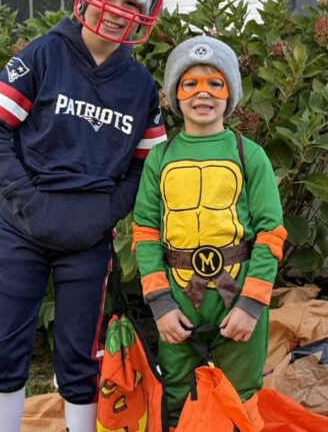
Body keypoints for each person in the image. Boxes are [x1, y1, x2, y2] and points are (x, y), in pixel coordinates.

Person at [0, 0, 168, 432]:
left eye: (132, 1)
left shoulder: (140, 86)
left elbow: (145, 165)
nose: (117, 9)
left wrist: (108, 211)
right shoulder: (43, 55)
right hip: (23, 229)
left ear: (148, 11)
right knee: (7, 346)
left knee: (80, 353)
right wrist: (27, 199)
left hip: (88, 238)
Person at [131, 36, 288, 426]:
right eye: (191, 84)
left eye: (215, 83)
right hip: (178, 296)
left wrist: (251, 304)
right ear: (175, 94)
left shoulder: (250, 155)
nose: (203, 93)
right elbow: (146, 232)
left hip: (238, 291)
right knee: (178, 393)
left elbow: (271, 233)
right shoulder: (160, 158)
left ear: (230, 92)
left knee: (241, 392)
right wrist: (161, 304)